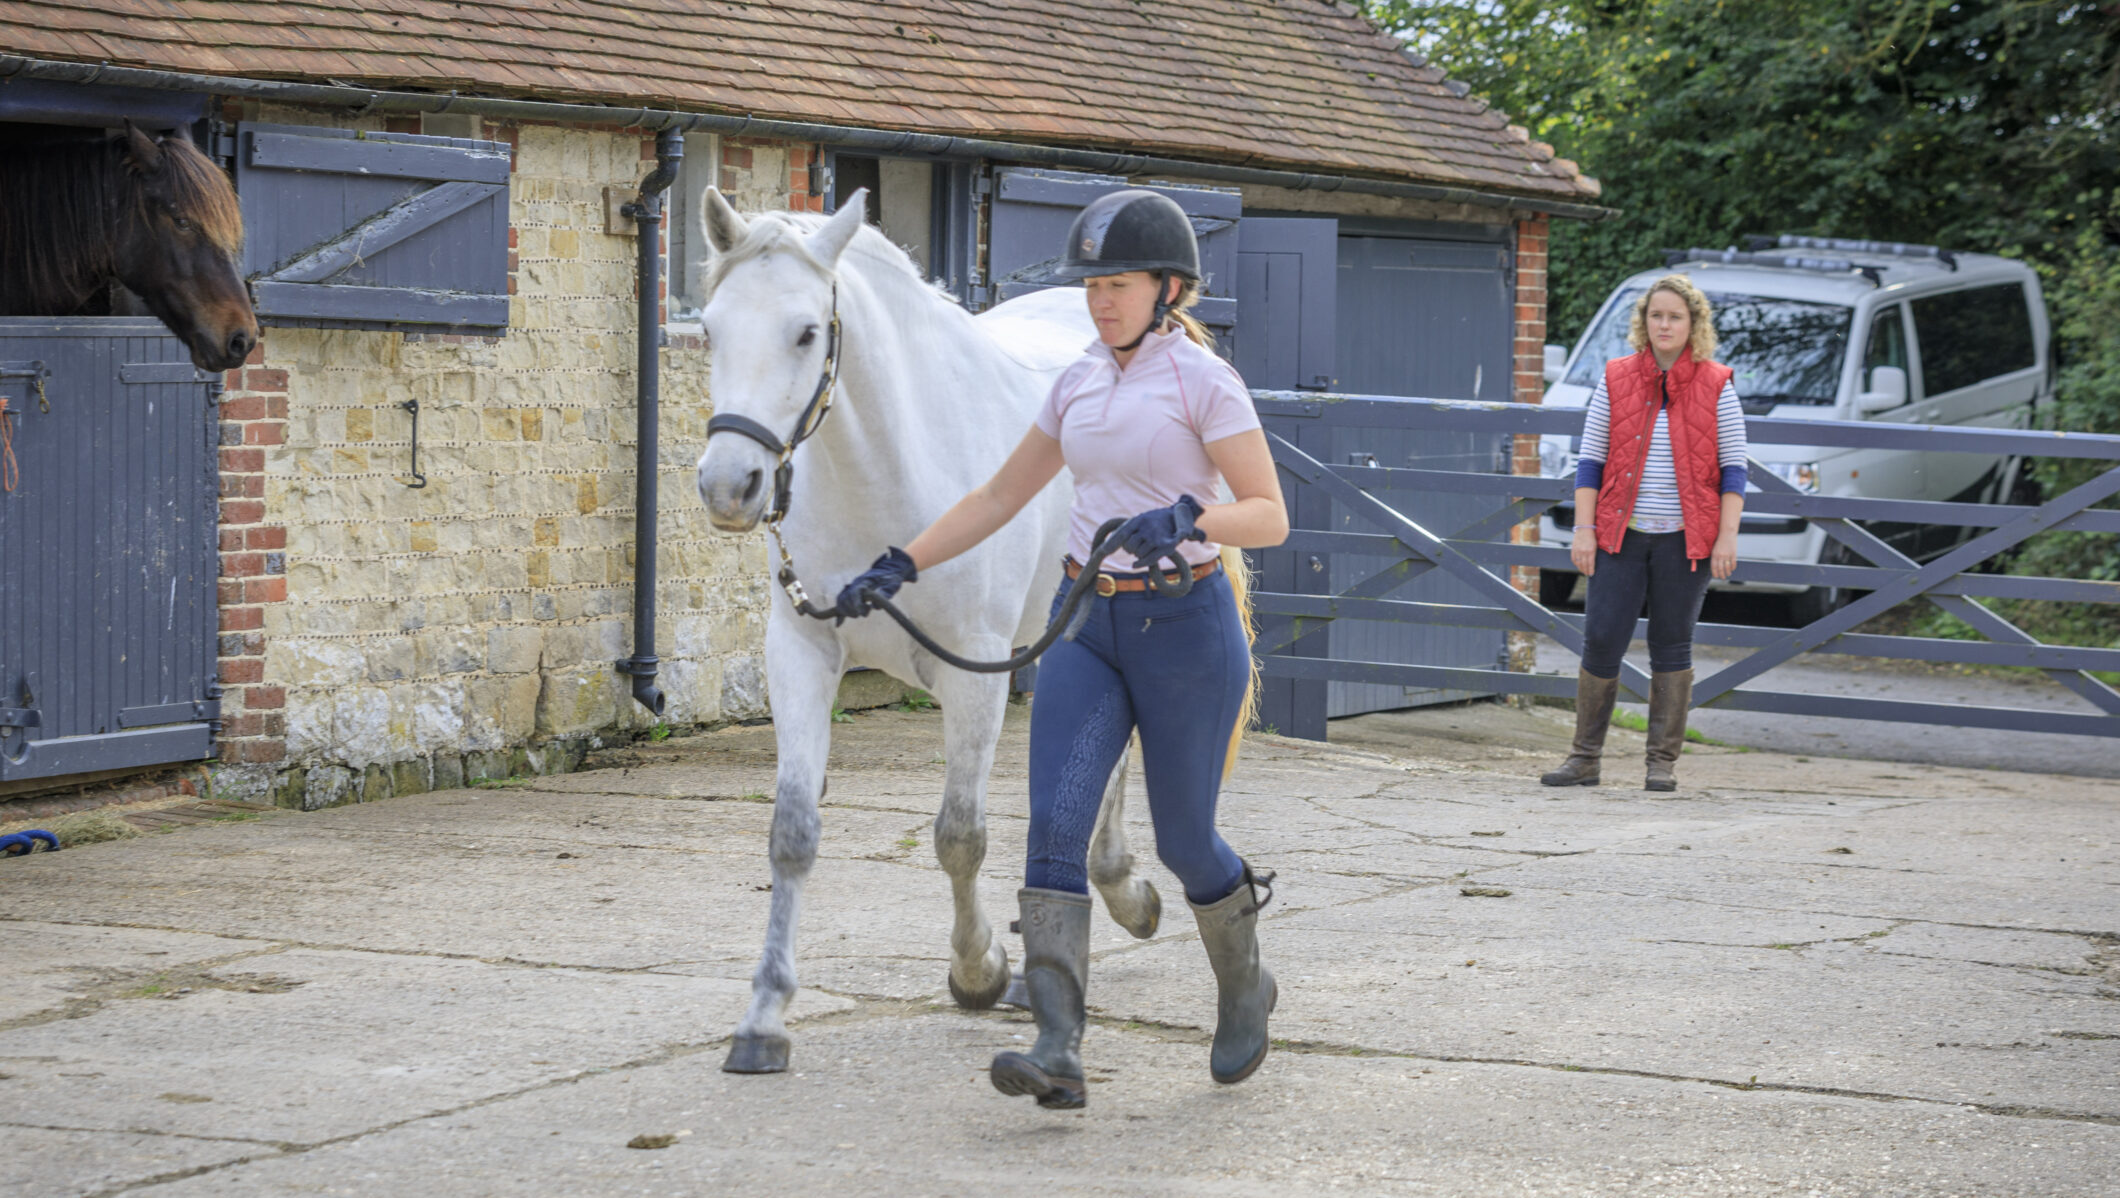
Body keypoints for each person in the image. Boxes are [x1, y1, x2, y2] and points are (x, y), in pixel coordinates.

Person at [833, 190, 1290, 1109]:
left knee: (1185, 842)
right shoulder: (1077, 381)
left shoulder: (1205, 383)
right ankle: (1057, 1042)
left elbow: (1271, 516)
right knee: (1053, 830)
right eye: (1092, 285)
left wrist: (1189, 515)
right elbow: (999, 498)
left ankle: (1246, 985)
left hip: (1186, 630)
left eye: (1117, 284)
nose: (1100, 300)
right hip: (1088, 625)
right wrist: (899, 562)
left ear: (1168, 289)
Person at [1542, 274, 1747, 792]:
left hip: (1686, 537)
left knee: (1672, 644)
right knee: (1602, 638)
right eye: (1656, 315)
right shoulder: (1615, 377)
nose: (1664, 324)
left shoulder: (1717, 383)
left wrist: (1726, 537)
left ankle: (1662, 764)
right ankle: (1584, 758)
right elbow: (1589, 462)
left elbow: (1734, 469)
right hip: (1619, 534)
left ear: (1692, 323)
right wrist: (1584, 530)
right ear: (1644, 321)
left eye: (1675, 316)